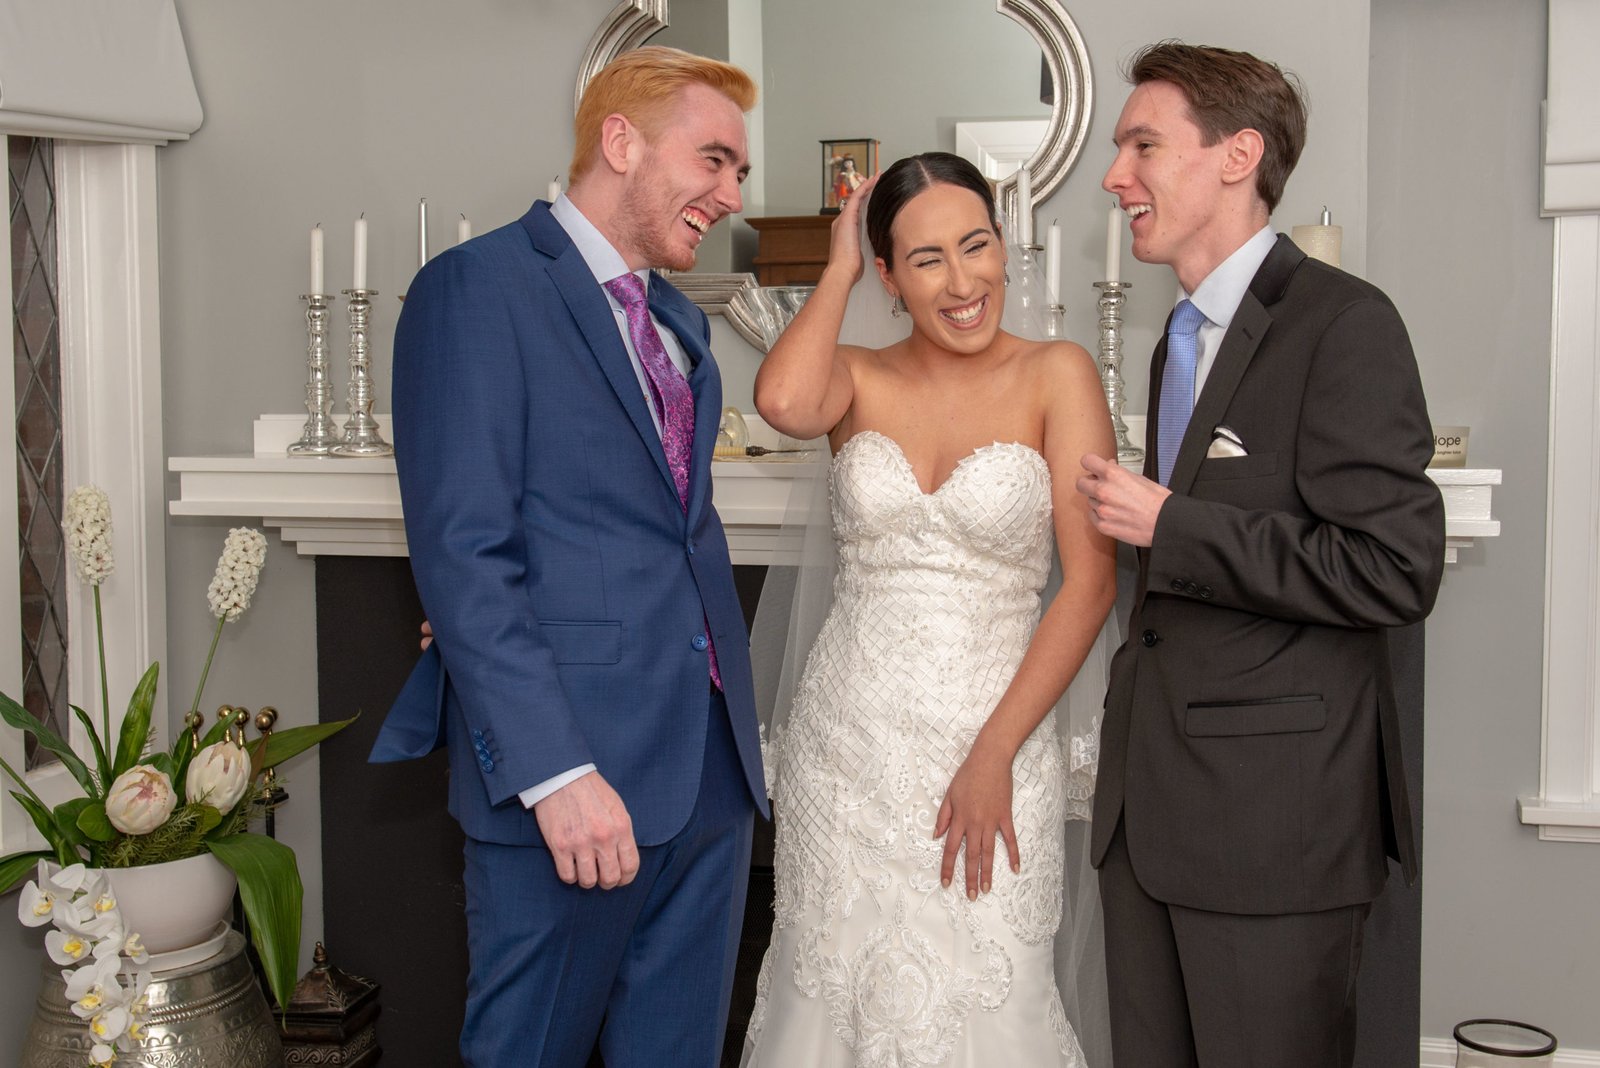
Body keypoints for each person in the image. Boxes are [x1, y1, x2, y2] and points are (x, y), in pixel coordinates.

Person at [368, 46, 768, 1067]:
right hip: (573, 774)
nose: (732, 195)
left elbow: (663, 532)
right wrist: (555, 774)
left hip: (710, 772)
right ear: (620, 141)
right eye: (714, 160)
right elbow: (465, 553)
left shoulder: (677, 320)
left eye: (739, 172)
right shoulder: (474, 290)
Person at [1077, 42, 1445, 1067]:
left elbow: (1395, 567)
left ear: (1238, 155)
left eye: (1142, 146)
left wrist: (1174, 526)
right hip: (1150, 823)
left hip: (1273, 838)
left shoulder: (1345, 323)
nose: (1115, 177)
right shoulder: (1177, 337)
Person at [744, 151, 1117, 1065]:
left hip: (993, 741)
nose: (962, 282)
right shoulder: (855, 377)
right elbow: (782, 399)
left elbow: (1091, 583)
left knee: (992, 997)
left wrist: (994, 754)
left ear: (1002, 245)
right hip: (847, 757)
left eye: (976, 245)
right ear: (889, 276)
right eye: (926, 259)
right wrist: (837, 265)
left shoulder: (1058, 373)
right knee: (827, 996)